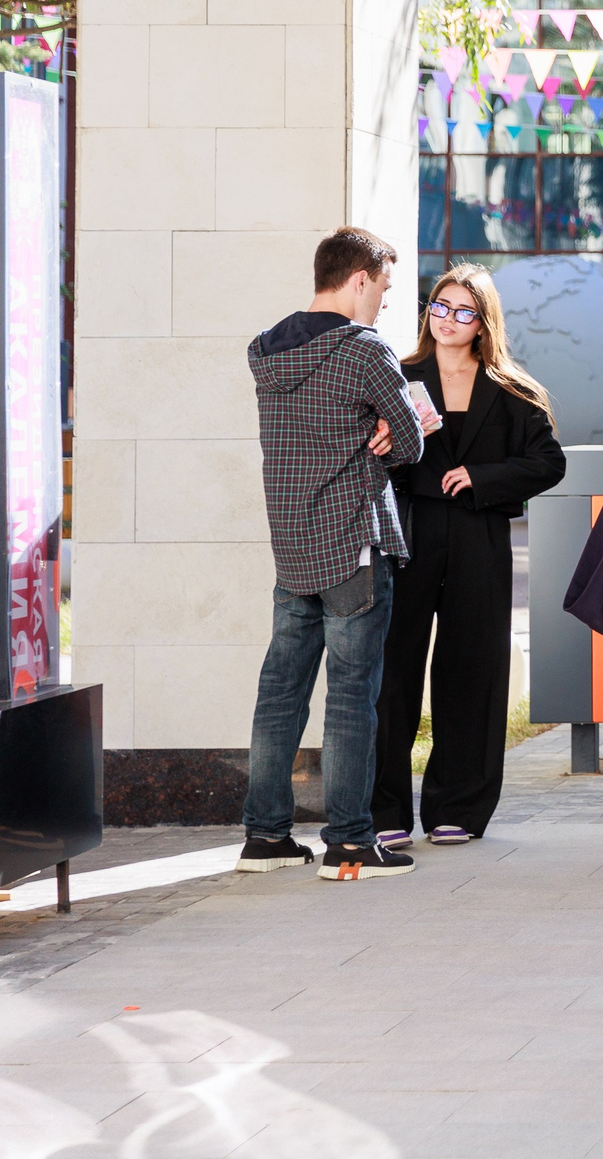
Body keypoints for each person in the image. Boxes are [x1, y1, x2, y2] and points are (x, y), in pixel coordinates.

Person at [239, 227, 428, 881]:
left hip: (292, 547)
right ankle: (349, 840)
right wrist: (391, 422)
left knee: (280, 692)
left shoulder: (266, 347)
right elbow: (410, 443)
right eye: (384, 287)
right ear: (358, 278)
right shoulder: (364, 349)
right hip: (352, 547)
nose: (384, 301)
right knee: (352, 697)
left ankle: (264, 835)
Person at [376, 265, 566, 850]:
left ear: (484, 323)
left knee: (471, 670)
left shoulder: (512, 389)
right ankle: (383, 807)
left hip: (478, 536)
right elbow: (362, 451)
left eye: (463, 311)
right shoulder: (396, 376)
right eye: (440, 306)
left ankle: (456, 805)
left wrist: (482, 477)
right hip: (408, 533)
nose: (448, 320)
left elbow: (547, 463)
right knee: (392, 672)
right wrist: (380, 449)